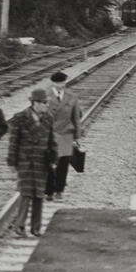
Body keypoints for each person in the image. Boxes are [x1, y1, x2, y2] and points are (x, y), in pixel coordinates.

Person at [7, 89, 58, 237]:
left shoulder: (48, 119)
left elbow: (52, 141)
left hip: (42, 162)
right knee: (26, 193)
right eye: (44, 103)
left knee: (39, 195)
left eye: (47, 102)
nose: (47, 105)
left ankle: (36, 228)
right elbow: (13, 142)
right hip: (25, 162)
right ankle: (20, 226)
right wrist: (12, 162)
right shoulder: (19, 118)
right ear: (35, 103)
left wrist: (54, 159)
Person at [44, 71, 83, 202]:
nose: (60, 85)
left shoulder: (72, 96)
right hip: (49, 134)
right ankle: (49, 191)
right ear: (52, 83)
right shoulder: (45, 96)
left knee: (63, 163)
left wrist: (77, 137)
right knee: (49, 164)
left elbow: (76, 118)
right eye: (57, 83)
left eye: (62, 83)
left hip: (66, 133)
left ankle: (59, 190)